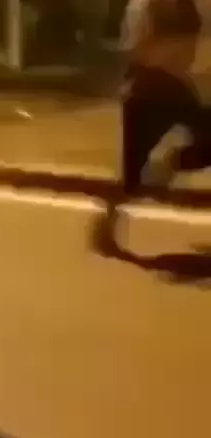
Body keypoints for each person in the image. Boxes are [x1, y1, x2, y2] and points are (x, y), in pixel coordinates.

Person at [91, 0, 210, 255]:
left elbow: (191, 47)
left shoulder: (177, 7)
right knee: (132, 172)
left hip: (163, 86)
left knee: (134, 170)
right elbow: (136, 48)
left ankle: (171, 163)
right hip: (152, 87)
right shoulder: (149, 7)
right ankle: (106, 224)